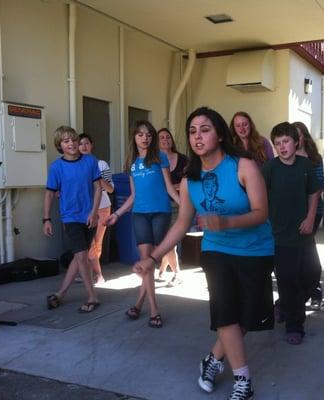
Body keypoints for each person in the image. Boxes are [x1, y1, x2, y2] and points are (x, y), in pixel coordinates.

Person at [133, 107, 274, 400]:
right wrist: (153, 257)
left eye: (205, 129)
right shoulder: (189, 180)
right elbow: (181, 224)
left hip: (256, 250)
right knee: (226, 314)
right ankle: (243, 381)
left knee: (245, 318)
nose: (198, 136)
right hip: (217, 250)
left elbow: (262, 213)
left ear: (220, 134)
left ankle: (212, 360)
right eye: (192, 131)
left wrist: (226, 222)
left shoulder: (243, 165)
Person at [105, 120, 180, 328]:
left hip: (160, 213)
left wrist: (186, 205)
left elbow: (169, 188)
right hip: (139, 214)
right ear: (134, 138)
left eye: (148, 134)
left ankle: (142, 305)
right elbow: (133, 196)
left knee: (149, 263)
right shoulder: (132, 163)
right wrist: (117, 214)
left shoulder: (160, 158)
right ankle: (150, 308)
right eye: (140, 134)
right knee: (145, 261)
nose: (145, 137)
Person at [263, 122, 321, 345]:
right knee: (288, 281)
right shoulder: (270, 168)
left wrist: (310, 218)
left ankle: (284, 305)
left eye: (285, 141)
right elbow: (256, 192)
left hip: (304, 233)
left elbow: (314, 193)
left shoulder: (305, 165)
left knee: (313, 274)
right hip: (279, 236)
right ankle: (294, 325)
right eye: (277, 144)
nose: (282, 147)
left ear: (296, 142)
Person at [43, 126, 102, 313]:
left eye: (74, 139)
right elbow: (49, 194)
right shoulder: (56, 167)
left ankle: (60, 293)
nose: (72, 144)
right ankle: (92, 296)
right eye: (66, 141)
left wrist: (93, 212)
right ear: (59, 145)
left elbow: (98, 188)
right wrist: (46, 219)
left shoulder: (90, 161)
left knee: (79, 256)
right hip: (70, 217)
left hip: (90, 216)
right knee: (81, 255)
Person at [293, 121, 324, 310]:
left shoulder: (315, 158)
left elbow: (319, 186)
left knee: (307, 251)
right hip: (292, 213)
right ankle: (308, 290)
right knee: (299, 254)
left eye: (298, 135)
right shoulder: (286, 157)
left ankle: (313, 290)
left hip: (313, 212)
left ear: (304, 136)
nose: (296, 139)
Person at [78, 133, 114, 284]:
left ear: (92, 145)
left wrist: (97, 177)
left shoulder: (101, 164)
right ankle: (91, 273)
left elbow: (111, 189)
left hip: (102, 208)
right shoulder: (75, 165)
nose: (84, 146)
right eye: (80, 144)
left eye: (86, 143)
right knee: (86, 243)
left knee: (96, 242)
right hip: (83, 209)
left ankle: (97, 275)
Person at [157, 127, 189, 284]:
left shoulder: (183, 159)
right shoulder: (154, 160)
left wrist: (175, 186)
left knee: (170, 241)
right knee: (166, 241)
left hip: (178, 204)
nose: (165, 139)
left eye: (167, 137)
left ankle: (177, 274)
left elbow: (189, 180)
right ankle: (163, 270)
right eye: (161, 137)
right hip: (159, 205)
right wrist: (174, 185)